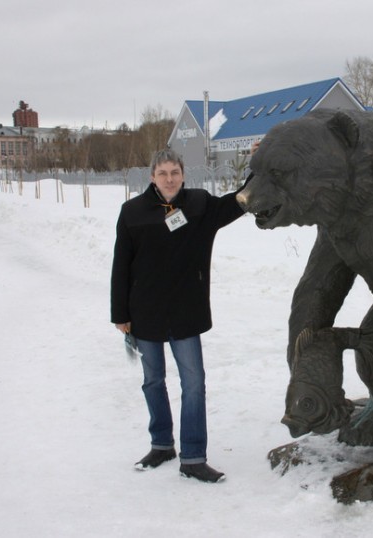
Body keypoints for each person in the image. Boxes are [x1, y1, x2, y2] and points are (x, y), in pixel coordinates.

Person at [110, 148, 247, 483]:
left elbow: (239, 201)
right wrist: (120, 313)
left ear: (183, 174)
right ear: (152, 176)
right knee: (153, 381)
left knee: (194, 383)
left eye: (174, 172)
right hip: (145, 313)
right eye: (162, 173)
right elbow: (121, 266)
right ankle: (161, 445)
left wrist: (257, 164)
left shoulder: (200, 204)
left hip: (186, 311)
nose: (169, 179)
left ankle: (194, 457)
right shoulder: (132, 211)